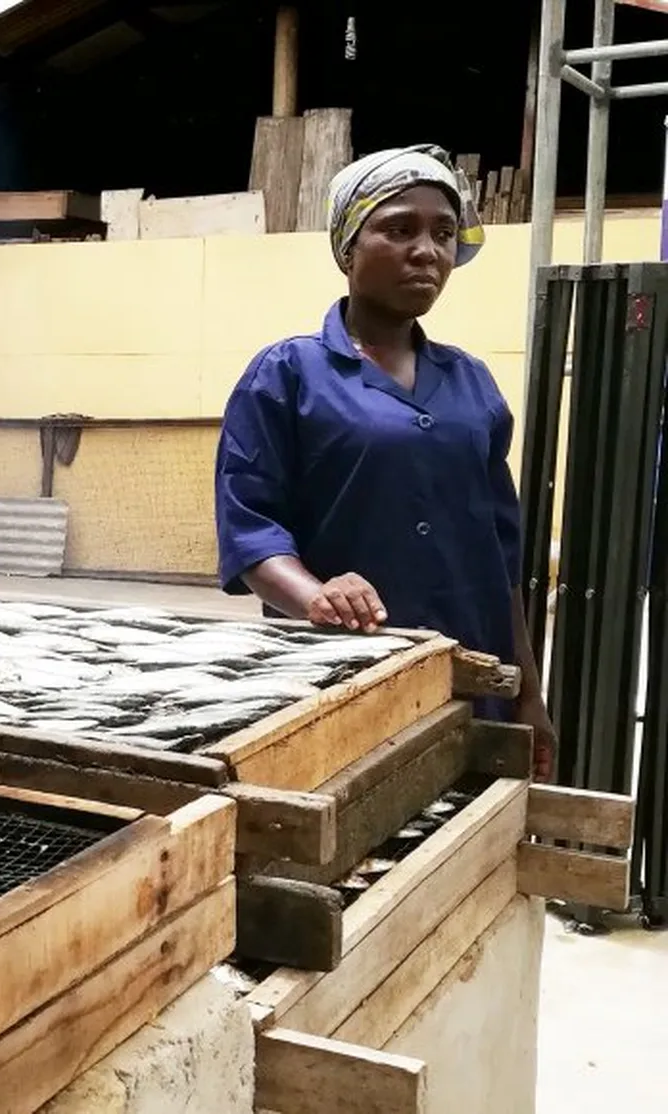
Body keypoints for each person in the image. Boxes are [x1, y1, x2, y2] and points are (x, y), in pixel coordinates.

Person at [213, 144, 556, 779]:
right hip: (341, 682)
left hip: (471, 676)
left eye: (445, 233)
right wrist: (318, 595)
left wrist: (527, 694)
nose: (427, 251)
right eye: (399, 229)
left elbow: (500, 556)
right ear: (348, 247)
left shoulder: (472, 383)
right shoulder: (287, 374)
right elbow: (251, 533)